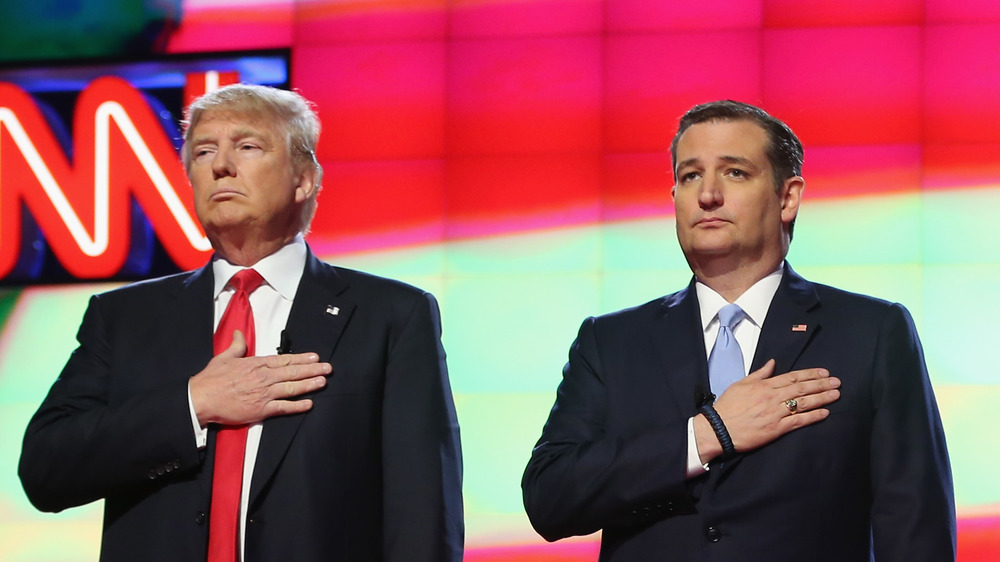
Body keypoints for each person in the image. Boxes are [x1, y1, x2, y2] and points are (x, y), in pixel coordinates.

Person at [19, 84, 464, 562]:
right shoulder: (124, 317)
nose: (220, 165)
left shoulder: (390, 315)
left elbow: (422, 511)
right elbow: (46, 469)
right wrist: (193, 404)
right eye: (203, 150)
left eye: (248, 146)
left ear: (304, 179)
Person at [521, 100, 955, 561]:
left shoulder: (871, 334)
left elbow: (915, 528)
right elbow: (550, 498)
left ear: (788, 197)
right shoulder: (611, 343)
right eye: (690, 176)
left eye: (734, 173)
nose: (708, 194)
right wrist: (707, 434)